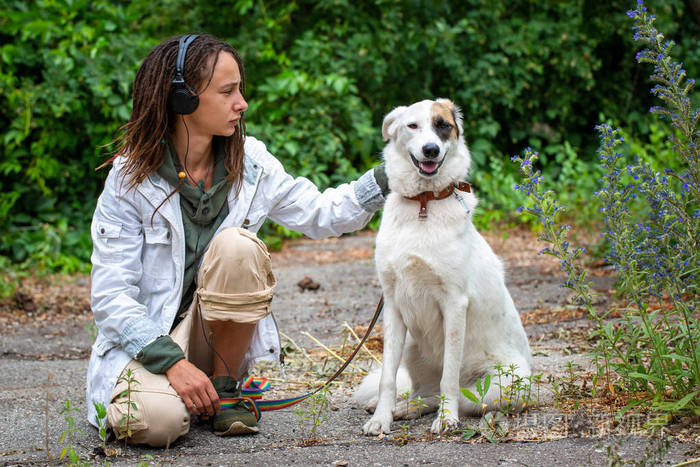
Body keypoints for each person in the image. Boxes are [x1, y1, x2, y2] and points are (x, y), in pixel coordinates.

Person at [87, 33, 387, 447]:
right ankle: (182, 392)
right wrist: (171, 363)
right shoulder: (128, 180)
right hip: (151, 341)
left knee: (237, 245)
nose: (241, 103)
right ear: (182, 100)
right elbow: (111, 296)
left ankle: (225, 388)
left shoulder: (253, 164)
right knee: (155, 424)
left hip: (215, 337)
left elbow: (321, 212)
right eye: (227, 91)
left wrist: (391, 177)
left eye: (240, 89)